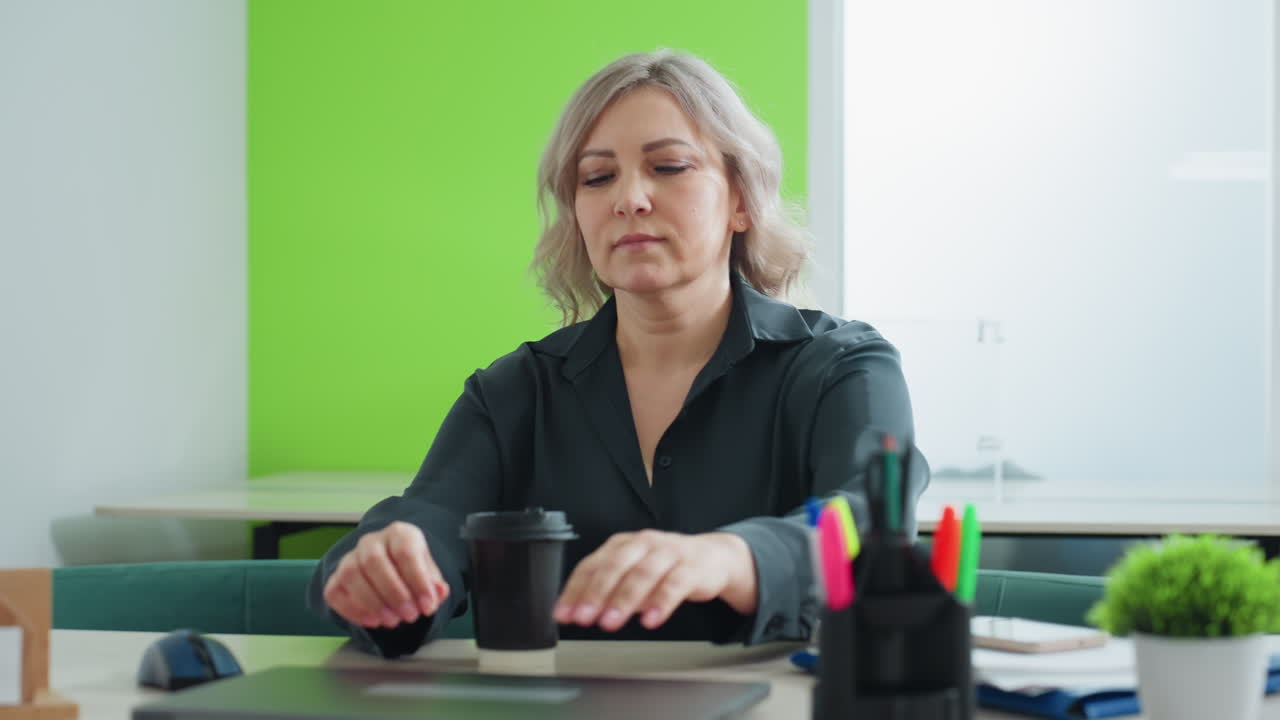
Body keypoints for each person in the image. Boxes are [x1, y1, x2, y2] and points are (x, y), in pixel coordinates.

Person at [307, 50, 927, 659]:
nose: (629, 198)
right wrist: (386, 567)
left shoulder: (843, 367)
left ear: (741, 200)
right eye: (597, 177)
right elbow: (431, 519)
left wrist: (729, 557)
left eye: (670, 167)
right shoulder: (514, 391)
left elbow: (868, 521)